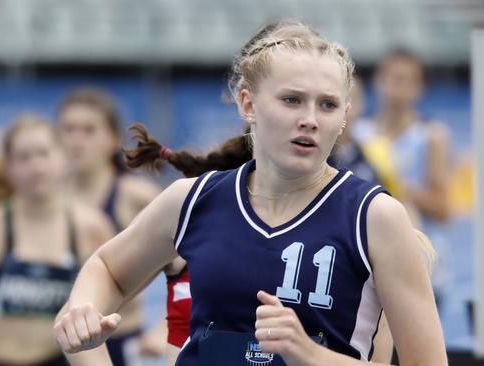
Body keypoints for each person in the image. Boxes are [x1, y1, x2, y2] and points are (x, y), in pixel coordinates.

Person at [55, 21, 447, 366]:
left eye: (327, 105)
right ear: (248, 102)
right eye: (292, 100)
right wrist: (83, 313)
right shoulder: (193, 200)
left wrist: (310, 356)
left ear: (345, 115)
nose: (309, 119)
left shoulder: (375, 217)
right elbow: (107, 270)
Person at [0, 115, 113, 366]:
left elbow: (120, 293)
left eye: (44, 154)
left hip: (57, 360)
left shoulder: (91, 226)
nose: (36, 167)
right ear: (8, 167)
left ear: (62, 158)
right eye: (24, 158)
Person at [56, 88, 168, 365]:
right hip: (58, 342)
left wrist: (163, 330)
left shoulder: (137, 196)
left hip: (116, 343)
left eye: (88, 130)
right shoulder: (48, 197)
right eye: (68, 130)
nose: (76, 140)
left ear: (112, 139)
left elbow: (194, 269)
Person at [352, 49, 452, 306]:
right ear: (378, 81)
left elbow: (442, 210)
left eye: (407, 80)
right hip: (368, 256)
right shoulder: (357, 131)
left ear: (419, 88)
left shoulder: (430, 135)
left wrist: (393, 184)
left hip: (418, 256)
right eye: (393, 78)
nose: (398, 88)